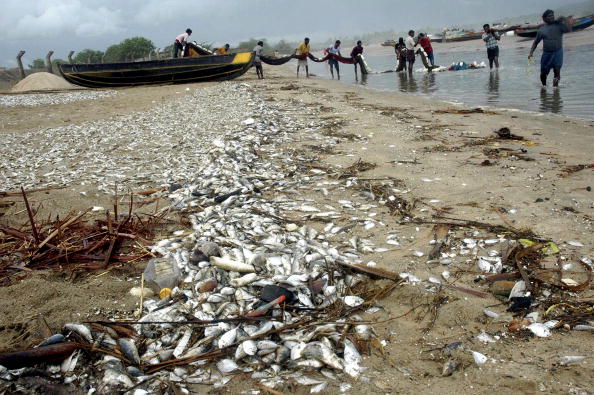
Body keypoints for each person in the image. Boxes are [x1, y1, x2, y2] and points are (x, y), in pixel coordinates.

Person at [529, 9, 571, 87]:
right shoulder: (542, 29)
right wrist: (531, 52)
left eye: (552, 15)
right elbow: (536, 42)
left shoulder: (559, 25)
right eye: (549, 16)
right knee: (543, 73)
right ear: (544, 18)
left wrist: (564, 18)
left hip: (558, 52)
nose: (551, 17)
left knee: (557, 71)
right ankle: (544, 87)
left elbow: (569, 29)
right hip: (547, 54)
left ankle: (555, 89)